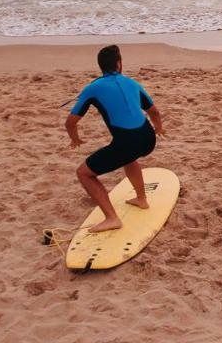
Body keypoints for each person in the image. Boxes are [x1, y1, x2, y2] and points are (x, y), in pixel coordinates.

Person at [66, 44, 166, 233]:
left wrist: (75, 139)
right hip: (148, 138)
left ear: (101, 67)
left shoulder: (93, 88)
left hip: (127, 142)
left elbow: (70, 122)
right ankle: (141, 199)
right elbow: (154, 111)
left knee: (84, 173)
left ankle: (112, 218)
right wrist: (159, 128)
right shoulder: (132, 83)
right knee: (129, 157)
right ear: (119, 64)